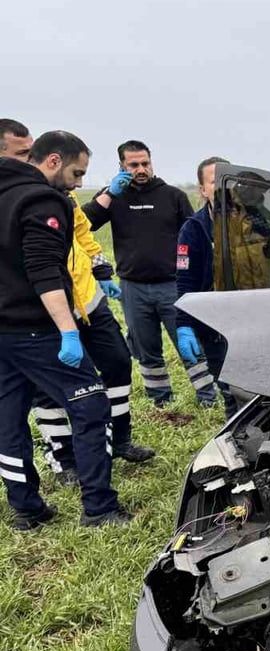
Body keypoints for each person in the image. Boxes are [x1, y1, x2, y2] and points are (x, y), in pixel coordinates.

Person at [0, 121, 155, 484]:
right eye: (23, 154)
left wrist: (101, 272)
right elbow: (39, 266)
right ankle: (65, 458)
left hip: (86, 297)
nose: (29, 160)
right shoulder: (26, 197)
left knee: (117, 361)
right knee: (51, 390)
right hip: (41, 309)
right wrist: (64, 326)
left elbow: (82, 233)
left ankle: (120, 439)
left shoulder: (57, 196)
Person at [82, 140, 208, 407]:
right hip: (132, 287)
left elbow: (195, 237)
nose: (141, 169)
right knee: (146, 349)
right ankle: (160, 400)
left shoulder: (173, 196)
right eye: (133, 165)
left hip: (172, 285)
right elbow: (84, 225)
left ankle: (207, 397)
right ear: (122, 166)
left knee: (189, 344)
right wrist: (109, 194)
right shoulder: (114, 197)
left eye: (145, 163)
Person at [175, 157, 241, 420]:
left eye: (229, 179)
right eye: (215, 181)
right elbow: (185, 280)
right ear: (203, 190)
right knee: (230, 390)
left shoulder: (259, 223)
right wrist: (184, 324)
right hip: (215, 325)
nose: (223, 186)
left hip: (255, 316)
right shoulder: (193, 230)